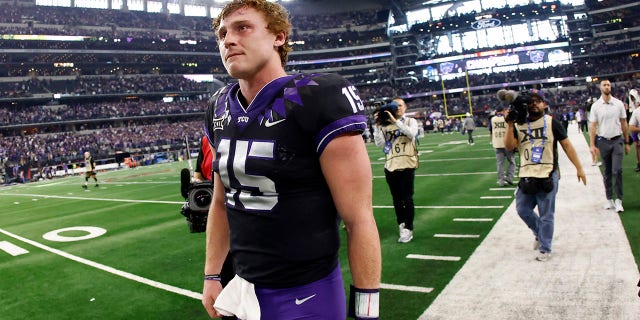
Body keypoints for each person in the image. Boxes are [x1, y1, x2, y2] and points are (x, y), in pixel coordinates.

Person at [201, 1, 381, 319]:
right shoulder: (218, 107)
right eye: (222, 33)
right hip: (242, 288)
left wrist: (367, 308)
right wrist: (213, 275)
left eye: (242, 27)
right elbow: (220, 201)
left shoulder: (318, 95)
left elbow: (359, 217)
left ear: (279, 37)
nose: (227, 40)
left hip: (307, 293)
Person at [505, 89, 586, 262]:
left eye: (538, 101)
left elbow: (567, 146)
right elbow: (509, 147)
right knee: (522, 209)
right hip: (527, 174)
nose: (534, 104)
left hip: (548, 173)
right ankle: (539, 233)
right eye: (531, 101)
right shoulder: (519, 124)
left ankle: (545, 248)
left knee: (546, 213)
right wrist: (510, 125)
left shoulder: (551, 123)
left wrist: (579, 168)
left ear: (545, 104)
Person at [373, 97, 419, 243]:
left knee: (407, 198)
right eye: (395, 106)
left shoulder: (410, 121)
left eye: (400, 105)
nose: (397, 108)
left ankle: (409, 228)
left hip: (407, 164)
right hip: (391, 165)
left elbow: (411, 134)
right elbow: (379, 144)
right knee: (397, 200)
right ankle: (401, 224)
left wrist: (395, 121)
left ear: (405, 107)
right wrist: (377, 125)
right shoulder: (385, 125)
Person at [588, 79, 631, 213]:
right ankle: (609, 199)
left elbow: (624, 123)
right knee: (606, 172)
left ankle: (618, 199)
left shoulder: (618, 104)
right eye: (604, 85)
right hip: (603, 141)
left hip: (617, 140)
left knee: (617, 170)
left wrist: (627, 142)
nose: (607, 87)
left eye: (608, 85)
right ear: (600, 88)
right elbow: (593, 126)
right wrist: (592, 144)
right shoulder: (595, 106)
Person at [488, 106, 515, 186]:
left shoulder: (493, 119)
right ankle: (509, 177)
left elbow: (490, 130)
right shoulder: (507, 118)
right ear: (503, 110)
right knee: (512, 162)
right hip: (507, 143)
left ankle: (501, 181)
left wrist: (491, 140)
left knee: (500, 163)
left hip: (497, 143)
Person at [627, 89, 640, 172]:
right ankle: (638, 163)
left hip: (637, 119)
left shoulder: (637, 100)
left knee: (637, 145)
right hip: (634, 120)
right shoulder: (631, 101)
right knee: (636, 145)